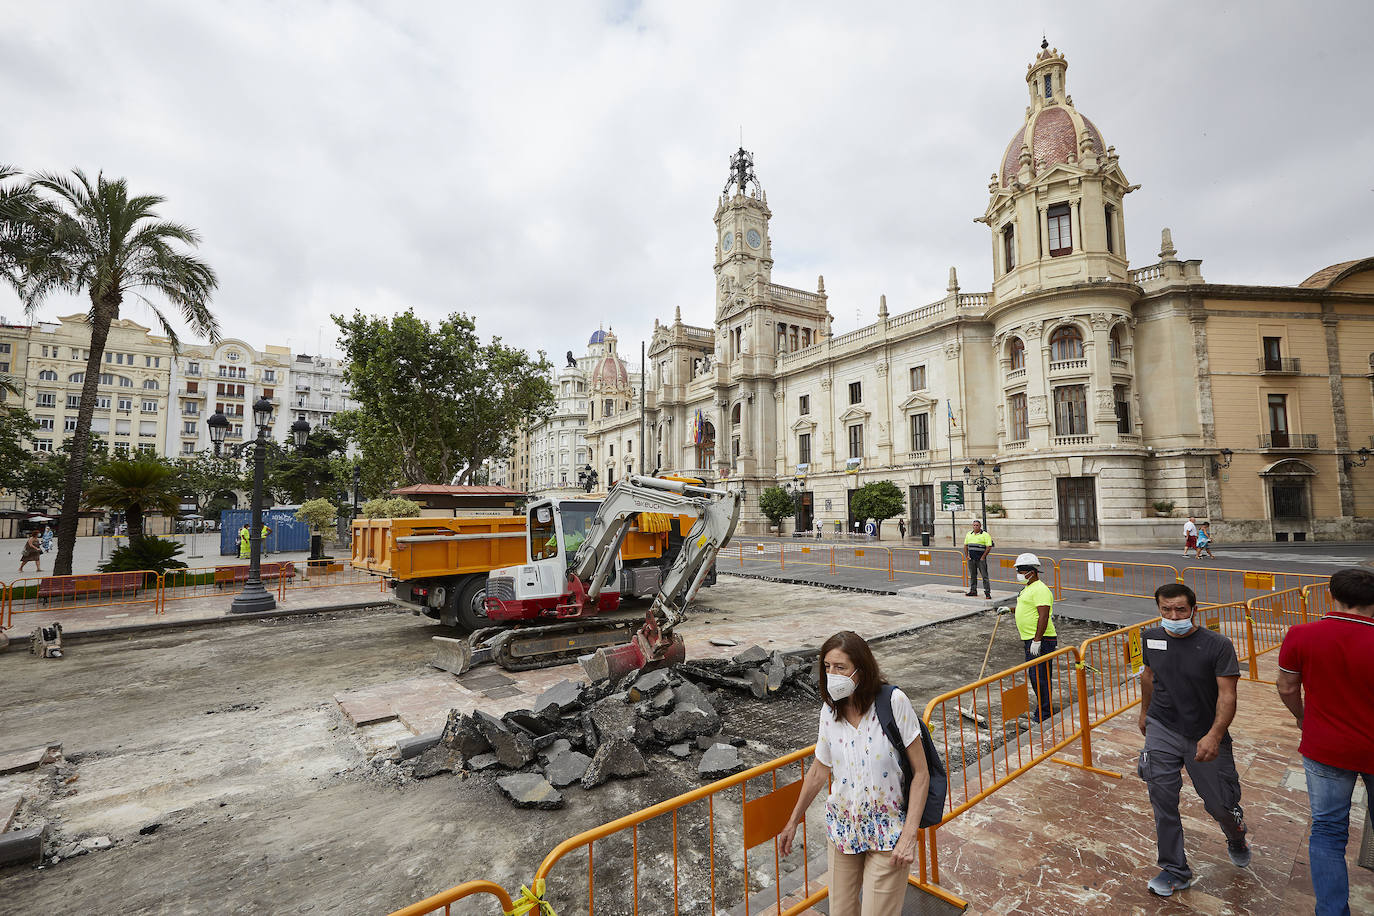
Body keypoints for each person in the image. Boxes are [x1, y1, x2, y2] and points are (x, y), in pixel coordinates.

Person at [780, 631, 930, 916]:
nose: (832, 674)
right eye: (827, 667)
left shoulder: (893, 702)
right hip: (843, 830)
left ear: (861, 670)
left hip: (888, 834)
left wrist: (909, 836)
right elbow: (818, 771)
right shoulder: (829, 711)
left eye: (841, 667)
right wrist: (793, 820)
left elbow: (921, 774)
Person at [1138, 582, 1249, 897]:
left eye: (1180, 610)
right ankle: (1174, 869)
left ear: (1194, 610)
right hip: (1162, 726)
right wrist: (1144, 713)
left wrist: (1214, 735)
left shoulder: (1217, 645)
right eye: (1166, 610)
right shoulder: (1151, 638)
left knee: (1219, 804)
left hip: (1205, 731)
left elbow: (1228, 695)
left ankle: (1236, 833)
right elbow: (1148, 676)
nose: (1173, 616)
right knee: (1162, 799)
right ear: (1159, 610)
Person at [1276, 568, 1374, 915]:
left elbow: (1287, 686)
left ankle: (1332, 911)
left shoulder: (1302, 634)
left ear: (1331, 595)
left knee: (1329, 833)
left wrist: (1303, 717)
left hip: (1325, 748)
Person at [1012, 553, 1055, 720]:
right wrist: (1009, 610)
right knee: (1037, 677)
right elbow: (1028, 609)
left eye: (1021, 571)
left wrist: (1037, 640)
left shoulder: (1040, 589)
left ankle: (1044, 714)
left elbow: (1043, 616)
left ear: (1032, 571)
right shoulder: (1028, 588)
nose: (1019, 574)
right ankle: (1043, 710)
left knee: (1040, 678)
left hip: (1041, 640)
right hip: (1032, 639)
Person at [964, 520, 994, 598]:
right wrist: (967, 556)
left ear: (980, 526)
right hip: (971, 559)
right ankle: (973, 591)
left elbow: (989, 547)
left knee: (984, 576)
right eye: (974, 525)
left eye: (977, 525)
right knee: (973, 575)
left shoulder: (985, 535)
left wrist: (983, 557)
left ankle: (987, 592)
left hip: (981, 559)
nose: (975, 527)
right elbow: (965, 546)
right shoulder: (969, 534)